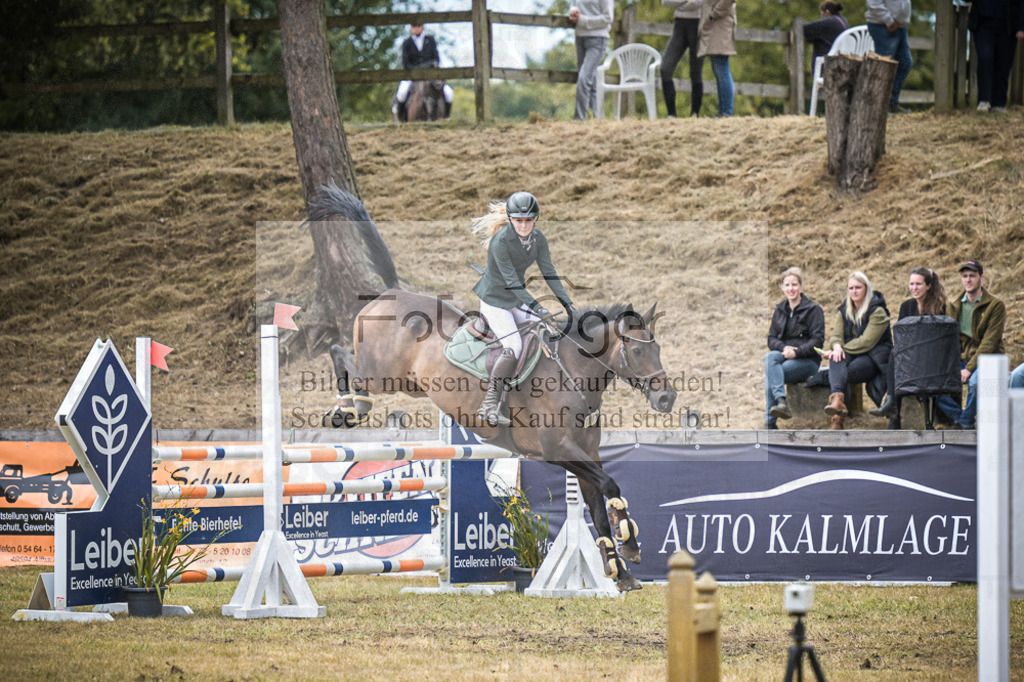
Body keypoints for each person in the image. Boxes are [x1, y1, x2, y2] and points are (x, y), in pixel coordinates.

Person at [471, 192, 575, 426]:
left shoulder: (538, 239)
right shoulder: (500, 242)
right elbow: (513, 283)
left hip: (514, 300)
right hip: (495, 301)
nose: (524, 225)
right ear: (510, 220)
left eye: (528, 220)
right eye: (519, 220)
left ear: (535, 220)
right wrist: (539, 308)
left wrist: (567, 303)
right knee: (514, 345)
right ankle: (489, 404)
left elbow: (549, 272)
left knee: (546, 333)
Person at [870, 267, 948, 428]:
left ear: (929, 286)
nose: (914, 288)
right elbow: (900, 335)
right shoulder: (906, 306)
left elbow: (938, 340)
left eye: (918, 284)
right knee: (896, 354)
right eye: (911, 284)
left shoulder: (940, 307)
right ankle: (892, 409)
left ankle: (892, 410)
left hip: (931, 361)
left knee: (897, 356)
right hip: (910, 358)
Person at [936, 260, 1006, 429]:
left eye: (972, 276)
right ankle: (962, 418)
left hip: (988, 359)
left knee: (975, 382)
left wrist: (969, 368)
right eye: (965, 276)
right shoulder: (954, 306)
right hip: (961, 359)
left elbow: (989, 342)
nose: (968, 280)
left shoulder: (995, 306)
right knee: (933, 382)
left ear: (981, 277)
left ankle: (965, 423)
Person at [820, 271, 893, 430]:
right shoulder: (845, 309)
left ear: (866, 288)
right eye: (851, 288)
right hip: (851, 354)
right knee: (837, 360)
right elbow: (836, 335)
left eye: (858, 287)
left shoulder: (877, 311)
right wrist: (837, 346)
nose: (854, 291)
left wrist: (838, 349)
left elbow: (866, 342)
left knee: (842, 369)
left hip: (874, 357)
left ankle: (837, 420)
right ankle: (837, 402)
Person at [762, 267, 825, 429]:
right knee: (768, 358)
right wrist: (784, 348)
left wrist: (796, 352)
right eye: (787, 285)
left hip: (807, 360)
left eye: (794, 285)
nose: (791, 289)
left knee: (772, 374)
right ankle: (781, 402)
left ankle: (769, 424)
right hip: (784, 354)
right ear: (782, 287)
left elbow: (817, 341)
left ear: (801, 287)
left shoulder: (813, 310)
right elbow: (771, 339)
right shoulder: (780, 309)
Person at [969, 0, 1024, 112]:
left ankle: (998, 104)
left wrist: (1021, 27)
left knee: (1004, 64)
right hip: (983, 23)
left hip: (1008, 25)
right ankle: (984, 100)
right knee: (985, 58)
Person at [393, 23, 454, 121]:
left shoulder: (430, 40)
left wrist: (432, 67)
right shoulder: (407, 43)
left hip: (430, 77)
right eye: (414, 26)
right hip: (412, 77)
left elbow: (436, 59)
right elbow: (406, 64)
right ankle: (401, 120)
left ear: (422, 27)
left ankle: (446, 117)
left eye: (418, 26)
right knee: (402, 92)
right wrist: (423, 67)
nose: (416, 28)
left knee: (449, 92)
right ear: (411, 28)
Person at [569, 0, 615, 120]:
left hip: (598, 40)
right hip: (580, 38)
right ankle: (597, 117)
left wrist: (582, 20)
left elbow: (608, 17)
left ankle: (579, 119)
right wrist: (573, 13)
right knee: (591, 80)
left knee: (583, 79)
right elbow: (574, 5)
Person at [865, 0, 913, 113]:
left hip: (899, 25)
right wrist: (888, 20)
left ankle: (891, 103)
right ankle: (879, 107)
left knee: (905, 63)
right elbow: (873, 3)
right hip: (883, 25)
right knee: (884, 67)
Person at [660, 0, 706, 118]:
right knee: (665, 68)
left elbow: (699, 2)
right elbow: (665, 2)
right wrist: (686, 1)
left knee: (695, 71)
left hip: (698, 24)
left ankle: (694, 114)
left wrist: (679, 4)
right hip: (679, 25)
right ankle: (671, 114)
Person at [697, 0, 738, 117]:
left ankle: (726, 112)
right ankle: (724, 111)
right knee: (719, 68)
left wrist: (713, 14)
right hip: (716, 24)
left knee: (721, 68)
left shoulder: (716, 15)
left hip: (720, 23)